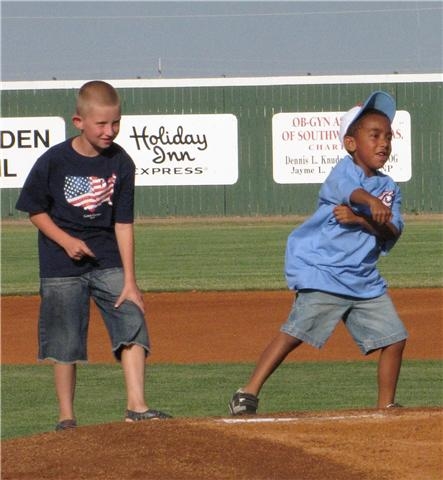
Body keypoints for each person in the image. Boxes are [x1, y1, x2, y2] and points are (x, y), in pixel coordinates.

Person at [228, 91, 408, 415]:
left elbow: (392, 230)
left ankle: (387, 406)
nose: (384, 143)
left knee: (394, 339)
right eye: (374, 135)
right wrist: (368, 205)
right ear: (351, 144)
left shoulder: (390, 187)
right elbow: (351, 192)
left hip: (364, 280)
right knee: (295, 333)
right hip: (325, 272)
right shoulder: (343, 171)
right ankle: (248, 391)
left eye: (388, 136)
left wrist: (361, 220)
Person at [16, 80, 171, 430]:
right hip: (61, 264)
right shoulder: (54, 160)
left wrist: (131, 280)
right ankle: (67, 416)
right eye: (101, 123)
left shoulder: (121, 162)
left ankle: (137, 406)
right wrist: (66, 240)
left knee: (132, 318)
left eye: (115, 122)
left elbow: (124, 223)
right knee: (65, 339)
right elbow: (34, 210)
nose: (109, 130)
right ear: (79, 122)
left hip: (106, 259)